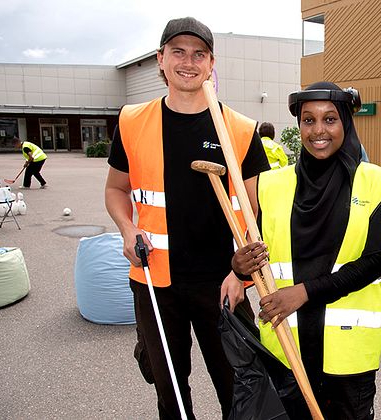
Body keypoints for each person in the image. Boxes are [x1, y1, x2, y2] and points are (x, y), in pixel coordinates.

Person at [104, 17, 270, 419]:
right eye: (177, 51)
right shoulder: (131, 121)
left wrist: (242, 277)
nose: (188, 61)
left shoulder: (240, 130)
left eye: (199, 54)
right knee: (171, 393)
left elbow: (258, 213)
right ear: (161, 60)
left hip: (221, 284)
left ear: (212, 64)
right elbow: (115, 190)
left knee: (240, 388)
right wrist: (128, 231)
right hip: (154, 281)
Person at [228, 82, 381, 419]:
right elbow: (260, 252)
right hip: (286, 346)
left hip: (346, 354)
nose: (318, 130)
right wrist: (237, 266)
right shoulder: (271, 185)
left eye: (329, 119)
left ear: (346, 123)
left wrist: (304, 293)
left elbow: (375, 262)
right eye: (308, 121)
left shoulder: (376, 181)